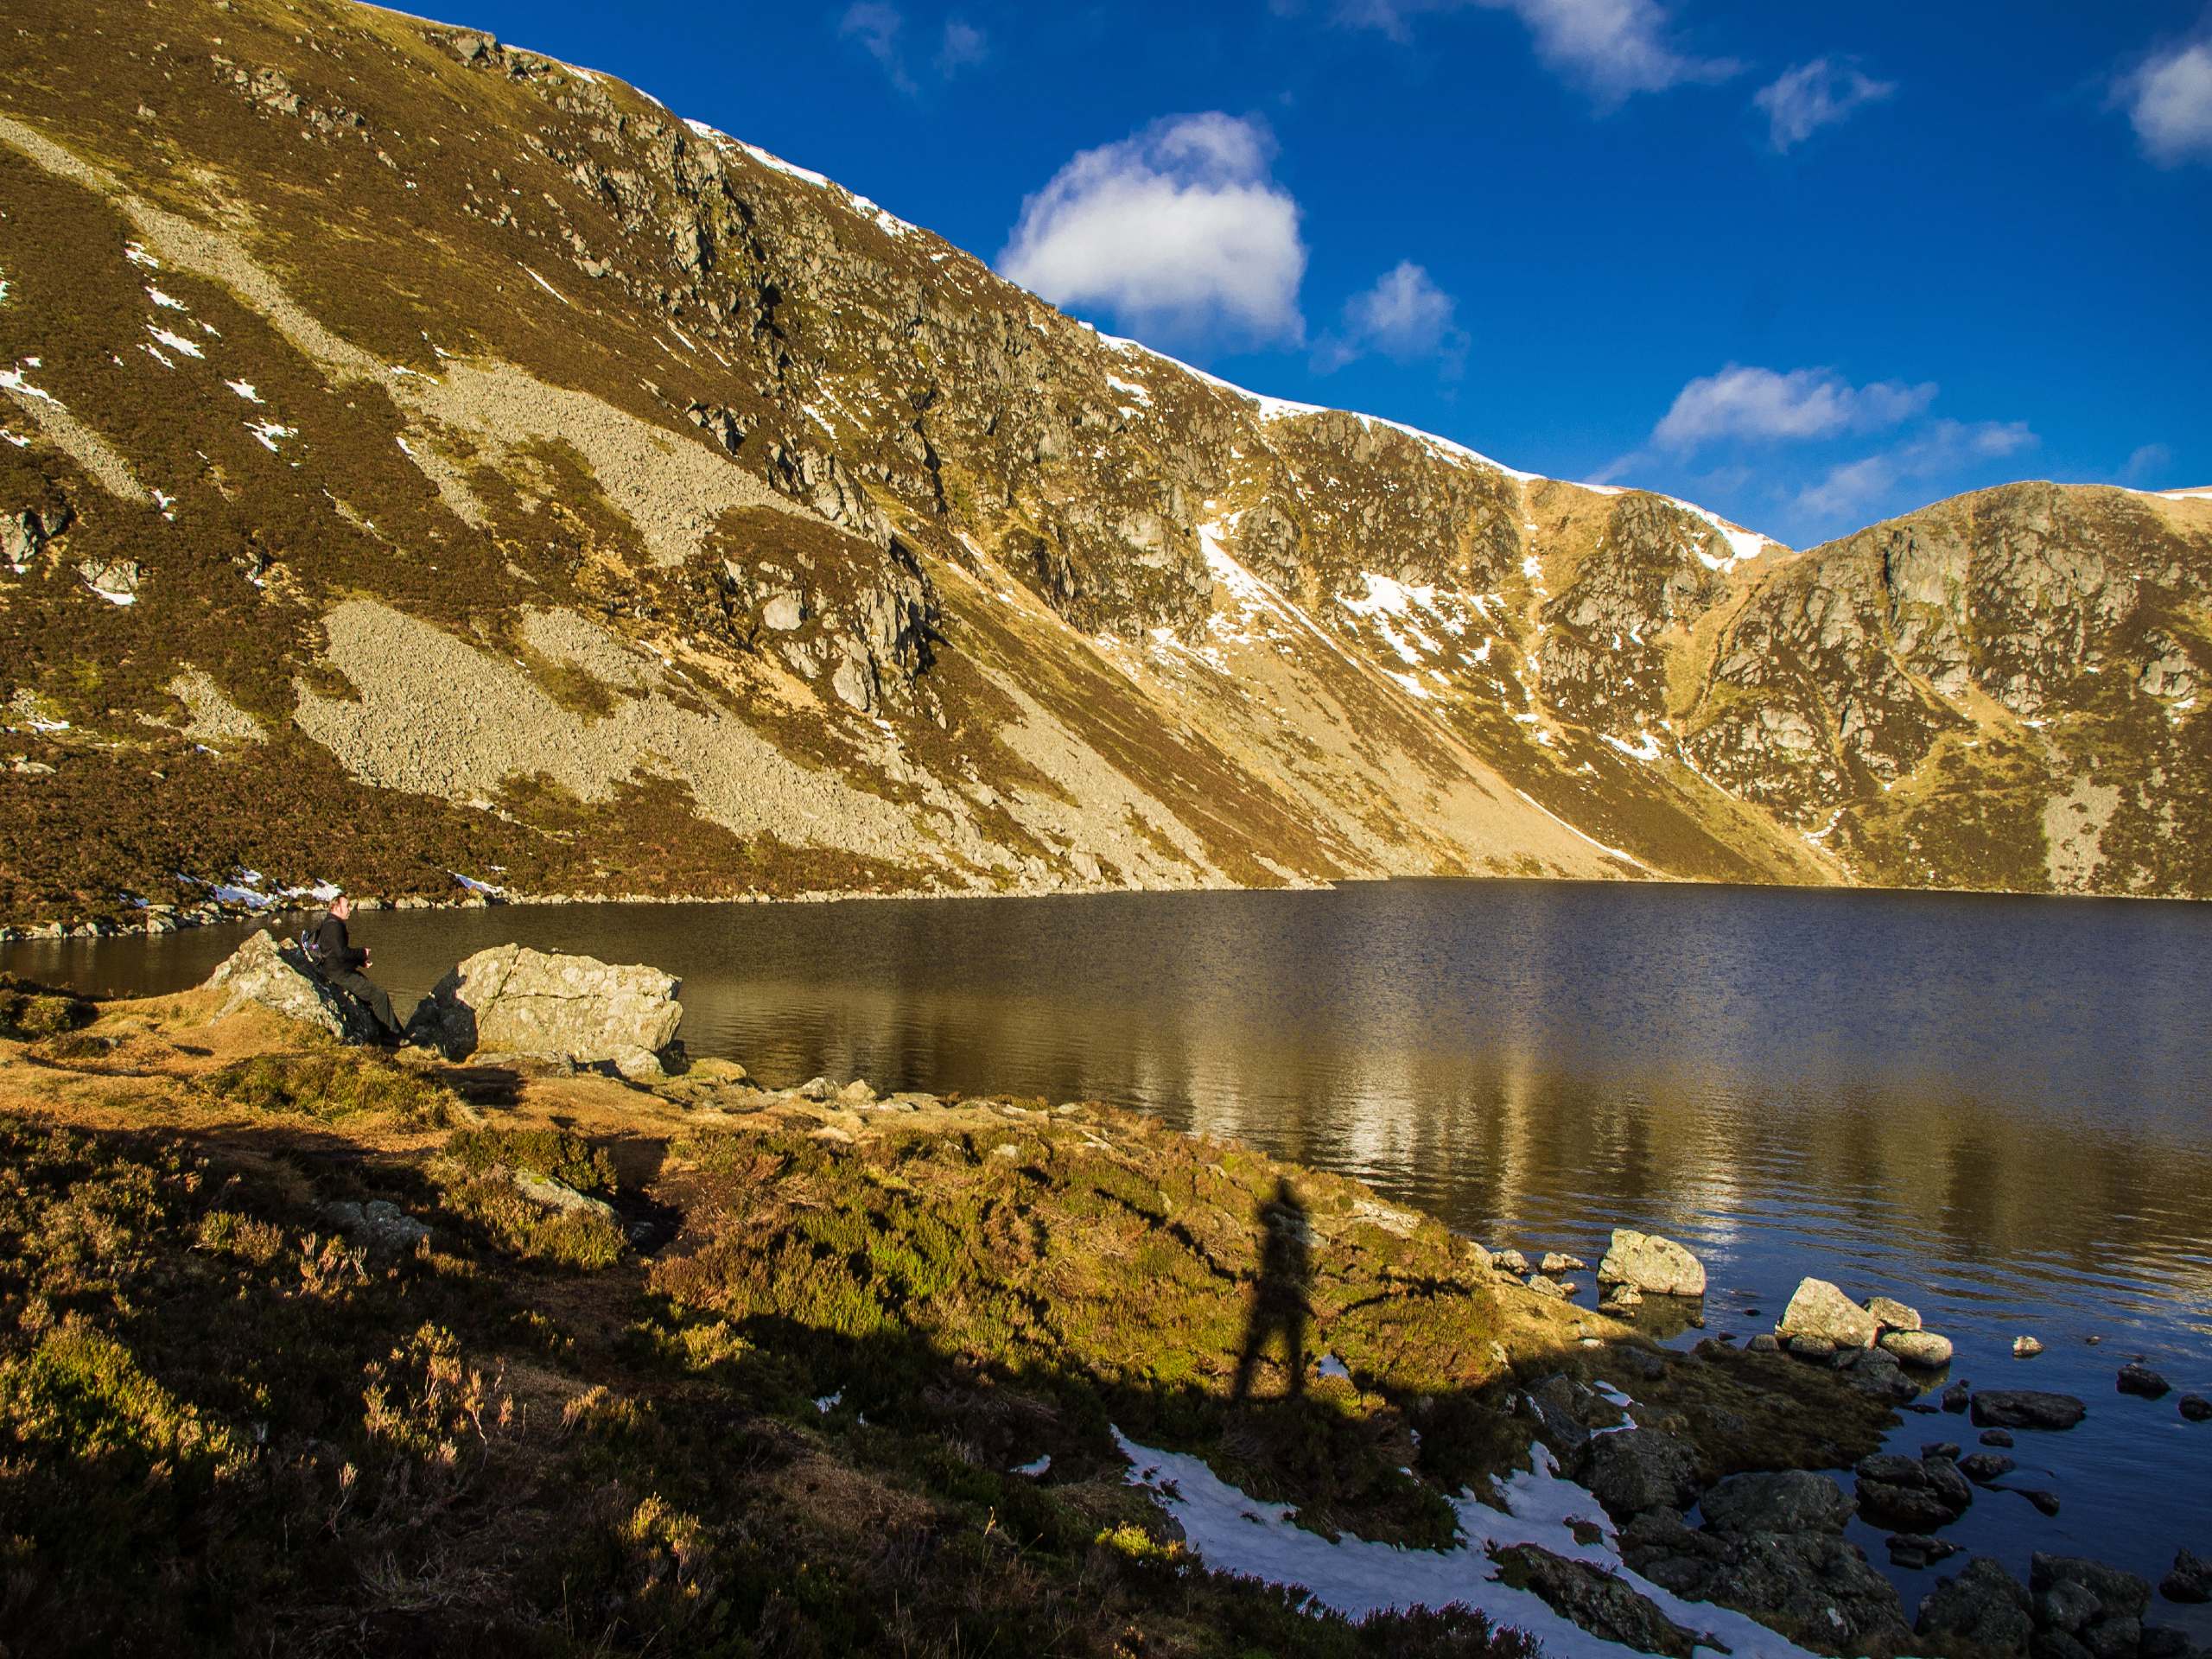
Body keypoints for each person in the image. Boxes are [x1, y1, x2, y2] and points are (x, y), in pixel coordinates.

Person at [314, 893, 402, 1044]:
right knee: (379, 995)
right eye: (347, 906)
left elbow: (338, 953)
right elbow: (341, 953)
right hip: (339, 974)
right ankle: (393, 1036)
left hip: (338, 970)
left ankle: (396, 1032)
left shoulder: (330, 922)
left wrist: (360, 961)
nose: (350, 909)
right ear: (336, 907)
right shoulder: (333, 926)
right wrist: (362, 953)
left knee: (371, 993)